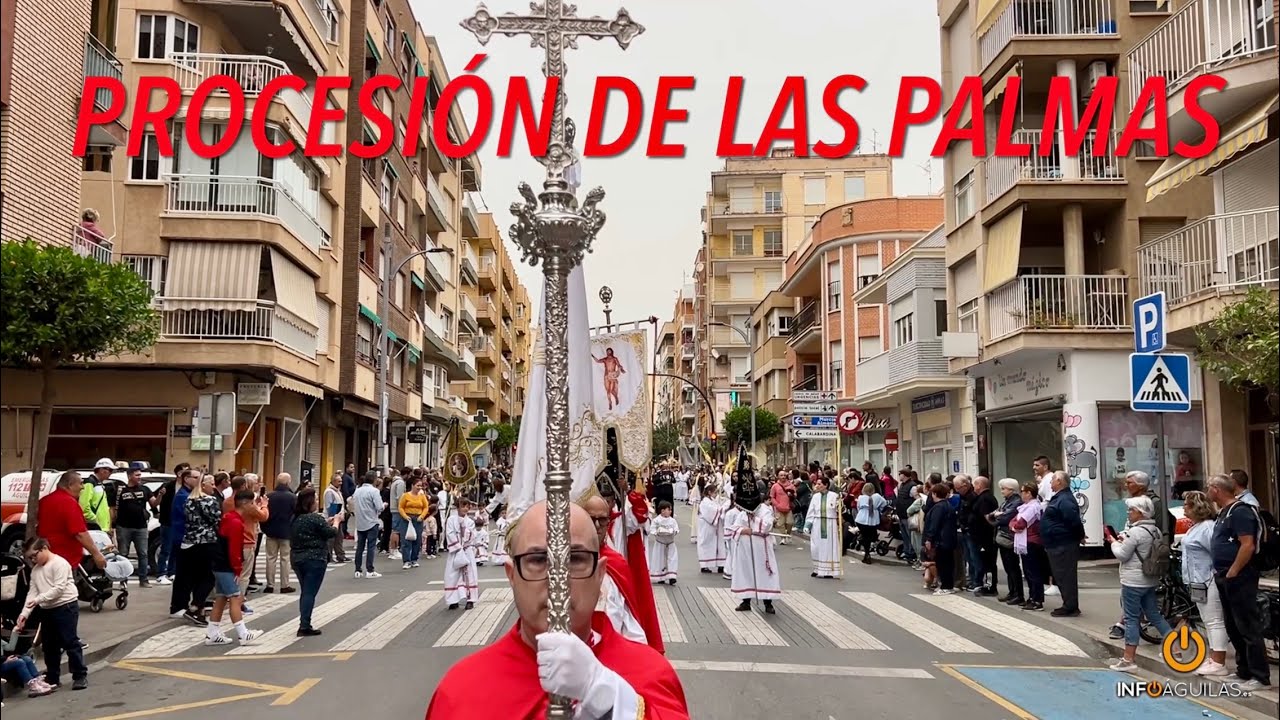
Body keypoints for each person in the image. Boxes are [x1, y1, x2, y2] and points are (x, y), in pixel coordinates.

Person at [425, 500, 689, 718]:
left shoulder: (650, 673)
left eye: (575, 560)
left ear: (600, 575)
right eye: (538, 560)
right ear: (512, 575)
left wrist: (605, 695)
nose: (557, 580)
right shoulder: (461, 690)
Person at [1206, 473, 1271, 691]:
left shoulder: (1241, 512)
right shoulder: (1224, 512)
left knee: (1247, 626)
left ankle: (1260, 676)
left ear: (1217, 489)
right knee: (1233, 625)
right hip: (1224, 574)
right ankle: (1243, 671)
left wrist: (1233, 570)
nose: (1207, 491)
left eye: (1209, 487)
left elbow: (1248, 545)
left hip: (1240, 576)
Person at [583, 495, 663, 652]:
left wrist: (642, 653)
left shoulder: (616, 564)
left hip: (612, 652)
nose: (597, 525)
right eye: (591, 519)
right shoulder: (566, 564)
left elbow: (628, 619)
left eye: (602, 520)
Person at [1105, 495, 1173, 671]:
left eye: (1131, 510)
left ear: (1141, 513)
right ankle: (1175, 650)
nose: (1128, 513)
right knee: (1154, 615)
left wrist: (1113, 543)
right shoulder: (1155, 530)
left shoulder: (1135, 532)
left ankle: (1128, 659)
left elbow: (1122, 555)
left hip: (1133, 581)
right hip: (1149, 580)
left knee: (1131, 618)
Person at [17, 537, 89, 690]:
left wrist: (38, 600)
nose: (33, 560)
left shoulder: (59, 563)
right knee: (49, 645)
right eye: (30, 558)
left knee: (70, 641)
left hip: (65, 606)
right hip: (47, 608)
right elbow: (32, 592)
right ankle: (53, 676)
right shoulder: (36, 571)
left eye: (34, 555)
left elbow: (59, 588)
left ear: (44, 548)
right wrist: (24, 614)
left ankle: (79, 675)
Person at [1177, 491, 1230, 677]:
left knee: (1214, 620)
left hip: (1208, 579)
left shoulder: (1207, 528)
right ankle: (1214, 657)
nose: (1183, 507)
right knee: (1208, 620)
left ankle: (1218, 661)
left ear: (1196, 507)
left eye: (1187, 504)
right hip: (1198, 580)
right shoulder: (1196, 527)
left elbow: (1216, 554)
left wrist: (1212, 575)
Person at [204, 491, 263, 646]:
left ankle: (212, 633)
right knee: (236, 598)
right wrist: (237, 569)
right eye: (252, 503)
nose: (254, 507)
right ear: (244, 504)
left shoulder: (229, 517)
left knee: (222, 598)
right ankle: (243, 634)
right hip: (226, 566)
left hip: (219, 564)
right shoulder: (236, 522)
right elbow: (234, 548)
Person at [728, 457, 780, 613]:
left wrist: (753, 520)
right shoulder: (743, 512)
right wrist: (744, 530)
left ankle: (768, 603)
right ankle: (746, 600)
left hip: (761, 548)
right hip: (745, 548)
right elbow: (734, 528)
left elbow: (766, 526)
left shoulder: (765, 510)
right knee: (746, 572)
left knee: (764, 574)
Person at [36, 471, 107, 572]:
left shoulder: (44, 500)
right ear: (70, 485)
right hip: (65, 560)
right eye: (81, 483)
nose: (83, 487)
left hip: (47, 556)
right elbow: (80, 533)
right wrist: (97, 554)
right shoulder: (69, 503)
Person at [290, 488, 338, 637]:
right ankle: (304, 625)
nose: (317, 502)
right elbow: (331, 533)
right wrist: (336, 522)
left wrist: (326, 523)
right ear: (309, 502)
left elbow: (319, 529)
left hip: (297, 558)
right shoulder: (314, 518)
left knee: (306, 591)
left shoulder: (295, 518)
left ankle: (304, 621)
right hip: (314, 558)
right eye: (315, 500)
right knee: (309, 592)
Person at [1041, 471, 1085, 617]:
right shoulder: (1059, 497)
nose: (1050, 482)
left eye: (1052, 480)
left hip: (1063, 544)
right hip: (1057, 543)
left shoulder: (1064, 499)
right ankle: (1068, 604)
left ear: (1059, 481)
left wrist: (1080, 536)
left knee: (1065, 575)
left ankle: (1070, 607)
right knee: (1061, 575)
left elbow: (1073, 520)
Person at [113, 467, 156, 588]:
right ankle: (123, 580)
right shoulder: (121, 490)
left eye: (139, 475)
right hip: (124, 527)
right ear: (130, 476)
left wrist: (160, 496)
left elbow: (154, 503)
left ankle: (144, 579)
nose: (139, 477)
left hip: (141, 527)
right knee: (123, 554)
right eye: (137, 475)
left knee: (143, 554)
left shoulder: (145, 489)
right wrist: (113, 525)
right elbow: (114, 508)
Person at [1010, 482, 1046, 610]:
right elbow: (1013, 521)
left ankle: (1037, 600)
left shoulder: (1033, 507)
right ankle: (1031, 597)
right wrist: (1014, 525)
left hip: (1031, 542)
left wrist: (1014, 526)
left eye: (1023, 491)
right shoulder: (1025, 506)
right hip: (1025, 542)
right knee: (1028, 571)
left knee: (1034, 572)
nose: (1021, 494)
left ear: (1029, 493)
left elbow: (1020, 523)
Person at [923, 483, 958, 595]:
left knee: (943, 564)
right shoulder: (948, 505)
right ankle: (948, 585)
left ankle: (946, 586)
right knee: (948, 563)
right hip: (949, 539)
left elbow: (934, 524)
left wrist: (929, 539)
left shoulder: (938, 507)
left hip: (941, 540)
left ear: (934, 493)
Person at [804, 476, 843, 578]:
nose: (817, 486)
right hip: (817, 524)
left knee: (829, 547)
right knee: (816, 547)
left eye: (819, 484)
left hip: (830, 525)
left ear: (826, 485)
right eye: (816, 484)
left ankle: (829, 571)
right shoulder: (815, 497)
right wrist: (808, 525)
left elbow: (841, 511)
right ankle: (817, 569)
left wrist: (840, 503)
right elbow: (811, 512)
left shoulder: (834, 496)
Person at [444, 498, 479, 610]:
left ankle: (470, 599)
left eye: (467, 507)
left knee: (469, 574)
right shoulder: (451, 520)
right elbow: (449, 534)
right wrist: (458, 547)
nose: (465, 509)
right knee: (452, 574)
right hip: (455, 551)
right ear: (457, 507)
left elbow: (472, 536)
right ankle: (453, 600)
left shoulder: (470, 522)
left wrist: (464, 541)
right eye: (463, 506)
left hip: (466, 550)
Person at [352, 472, 384, 579]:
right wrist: (384, 505)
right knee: (371, 546)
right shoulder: (374, 491)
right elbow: (379, 507)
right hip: (371, 521)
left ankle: (357, 569)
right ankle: (370, 569)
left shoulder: (357, 491)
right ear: (374, 480)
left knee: (360, 546)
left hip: (360, 521)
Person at [696, 482, 727, 573]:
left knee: (719, 545)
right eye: (715, 492)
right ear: (709, 492)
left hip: (716, 526)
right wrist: (722, 508)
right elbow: (712, 512)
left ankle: (720, 564)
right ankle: (705, 565)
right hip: (707, 526)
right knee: (707, 545)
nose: (716, 494)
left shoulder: (712, 501)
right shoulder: (705, 502)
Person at [853, 482, 887, 565]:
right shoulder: (878, 497)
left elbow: (858, 507)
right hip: (873, 519)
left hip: (862, 518)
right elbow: (884, 503)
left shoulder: (861, 497)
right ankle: (868, 550)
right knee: (869, 535)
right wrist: (878, 509)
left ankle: (867, 552)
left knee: (865, 536)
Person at [647, 502, 679, 585]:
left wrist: (673, 532)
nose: (670, 511)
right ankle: (660, 576)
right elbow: (652, 530)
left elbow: (676, 529)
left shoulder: (672, 520)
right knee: (660, 560)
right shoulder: (656, 520)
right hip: (660, 543)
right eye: (669, 509)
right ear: (662, 511)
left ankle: (672, 577)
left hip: (670, 543)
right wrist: (657, 532)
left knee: (672, 559)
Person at [769, 469, 795, 543]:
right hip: (779, 509)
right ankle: (783, 537)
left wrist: (791, 495)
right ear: (778, 476)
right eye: (781, 475)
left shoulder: (790, 485)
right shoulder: (775, 486)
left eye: (784, 475)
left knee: (790, 523)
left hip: (788, 508)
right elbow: (772, 497)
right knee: (780, 524)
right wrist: (777, 505)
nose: (783, 477)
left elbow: (795, 494)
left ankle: (788, 534)